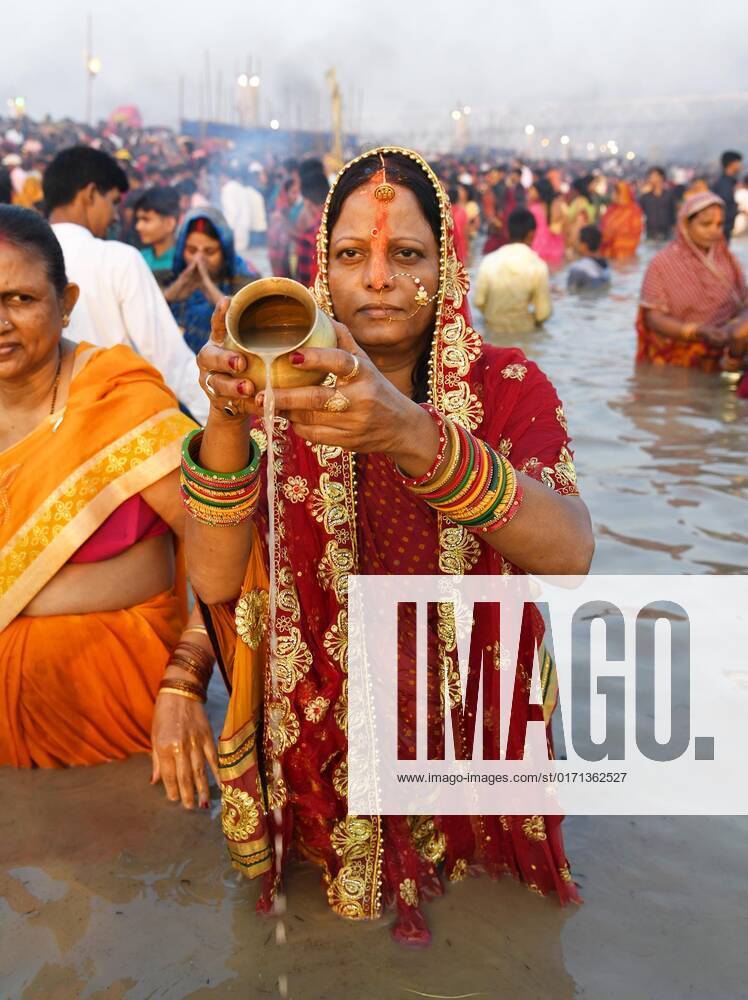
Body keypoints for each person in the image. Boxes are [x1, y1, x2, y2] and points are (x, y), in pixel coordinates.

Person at [184, 147, 593, 944]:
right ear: (320, 270)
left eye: (405, 254)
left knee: (487, 931)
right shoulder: (281, 390)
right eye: (351, 255)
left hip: (468, 727)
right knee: (319, 933)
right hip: (320, 726)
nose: (376, 279)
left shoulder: (508, 387)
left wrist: (410, 433)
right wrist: (227, 412)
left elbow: (571, 553)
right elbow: (213, 576)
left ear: (444, 268)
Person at [0, 205, 218, 804]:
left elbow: (234, 551)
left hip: (130, 740)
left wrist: (186, 685)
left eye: (19, 299)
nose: (1, 321)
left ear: (66, 301)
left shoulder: (119, 398)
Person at [44, 146, 208, 424]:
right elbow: (169, 359)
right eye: (113, 202)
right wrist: (220, 421)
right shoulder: (118, 259)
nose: (115, 216)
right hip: (111, 428)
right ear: (90, 194)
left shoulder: (19, 259)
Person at [636, 191, 748, 371]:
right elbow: (653, 318)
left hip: (723, 358)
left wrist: (733, 334)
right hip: (676, 363)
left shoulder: (727, 260)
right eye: (706, 224)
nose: (714, 231)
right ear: (686, 225)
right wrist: (697, 331)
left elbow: (744, 304)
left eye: (719, 225)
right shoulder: (662, 263)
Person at [164, 207, 258, 355]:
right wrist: (173, 292)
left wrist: (208, 287)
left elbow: (254, 323)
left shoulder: (245, 276)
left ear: (225, 250)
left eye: (210, 252)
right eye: (191, 250)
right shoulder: (172, 272)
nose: (198, 260)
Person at [474, 206, 552, 336]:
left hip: (492, 333)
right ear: (531, 234)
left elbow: (479, 301)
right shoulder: (538, 266)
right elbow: (543, 313)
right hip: (524, 334)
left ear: (508, 232)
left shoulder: (489, 261)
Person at [293, 159, 329, 288]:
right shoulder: (343, 220)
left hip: (317, 299)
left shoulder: (311, 235)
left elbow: (305, 282)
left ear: (307, 201)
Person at [134, 185, 180, 279]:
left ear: (169, 224)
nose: (138, 227)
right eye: (138, 220)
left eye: (146, 220)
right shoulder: (139, 258)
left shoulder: (181, 262)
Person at [599, 181, 643, 259]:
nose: (612, 194)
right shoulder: (611, 209)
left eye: (614, 192)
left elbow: (635, 232)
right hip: (607, 251)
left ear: (621, 194)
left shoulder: (634, 210)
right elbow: (603, 227)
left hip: (625, 253)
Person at [528, 178, 566, 269]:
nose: (529, 192)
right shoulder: (556, 205)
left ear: (539, 191)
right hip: (556, 246)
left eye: (532, 190)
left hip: (538, 246)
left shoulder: (534, 209)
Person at [567, 225, 611, 292]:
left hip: (585, 300)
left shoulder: (577, 268)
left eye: (578, 240)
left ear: (584, 245)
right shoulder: (606, 265)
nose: (576, 243)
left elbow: (570, 291)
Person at [712, 150, 743, 239]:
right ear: (732, 164)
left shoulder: (729, 183)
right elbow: (723, 206)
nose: (740, 165)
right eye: (738, 162)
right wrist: (737, 210)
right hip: (722, 229)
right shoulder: (724, 184)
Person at [639, 167, 677, 241]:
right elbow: (639, 211)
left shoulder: (669, 195)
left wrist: (674, 228)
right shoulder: (646, 196)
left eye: (653, 176)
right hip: (650, 231)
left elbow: (673, 214)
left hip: (666, 232)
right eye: (650, 176)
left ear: (661, 177)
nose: (651, 178)